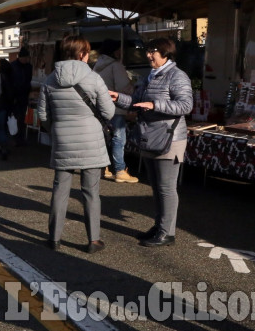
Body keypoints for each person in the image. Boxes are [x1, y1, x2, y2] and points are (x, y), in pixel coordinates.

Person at [109, 38, 193, 248]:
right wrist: (118, 97)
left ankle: (167, 232)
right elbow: (136, 101)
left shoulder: (177, 75)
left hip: (169, 138)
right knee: (156, 187)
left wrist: (155, 104)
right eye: (147, 51)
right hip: (149, 137)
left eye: (152, 51)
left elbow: (185, 105)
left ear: (165, 53)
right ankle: (159, 226)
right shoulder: (150, 76)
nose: (148, 55)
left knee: (166, 187)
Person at [37, 35, 115, 254]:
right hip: (91, 141)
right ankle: (93, 240)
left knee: (60, 190)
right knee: (90, 192)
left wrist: (56, 128)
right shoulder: (94, 78)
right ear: (82, 54)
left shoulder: (50, 79)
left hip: (63, 140)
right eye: (87, 52)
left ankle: (54, 238)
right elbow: (108, 112)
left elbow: (42, 114)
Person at [93, 39, 138, 184]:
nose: (120, 52)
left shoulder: (97, 65)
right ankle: (120, 170)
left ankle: (102, 167)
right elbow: (123, 87)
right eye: (118, 49)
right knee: (119, 138)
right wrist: (133, 86)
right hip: (115, 107)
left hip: (100, 106)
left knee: (103, 138)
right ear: (113, 51)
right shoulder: (115, 65)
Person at [11, 47, 33, 145]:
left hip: (24, 96)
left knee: (22, 118)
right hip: (15, 96)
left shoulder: (28, 67)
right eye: (25, 57)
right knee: (16, 117)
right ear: (20, 57)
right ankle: (16, 137)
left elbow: (28, 80)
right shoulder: (13, 66)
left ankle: (20, 138)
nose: (26, 59)